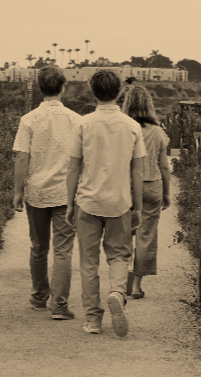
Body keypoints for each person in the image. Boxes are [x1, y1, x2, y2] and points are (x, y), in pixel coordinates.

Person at [66, 70, 146, 337]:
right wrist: (138, 207)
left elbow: (73, 167)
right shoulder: (132, 126)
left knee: (88, 262)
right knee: (119, 255)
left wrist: (69, 203)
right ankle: (117, 292)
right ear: (120, 92)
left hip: (88, 201)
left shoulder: (83, 124)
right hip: (119, 202)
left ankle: (93, 319)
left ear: (93, 91)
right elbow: (137, 171)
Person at [12, 66, 80, 320]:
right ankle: (59, 305)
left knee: (39, 247)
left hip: (36, 192)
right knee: (63, 251)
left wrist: (18, 191)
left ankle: (39, 296)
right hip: (66, 193)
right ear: (63, 88)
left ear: (41, 88)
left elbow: (22, 158)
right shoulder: (76, 120)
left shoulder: (29, 120)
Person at [120, 85, 171, 299]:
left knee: (123, 235)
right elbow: (164, 166)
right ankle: (136, 286)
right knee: (146, 236)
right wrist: (167, 194)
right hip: (151, 186)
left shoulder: (123, 128)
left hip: (126, 186)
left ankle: (121, 282)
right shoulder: (158, 132)